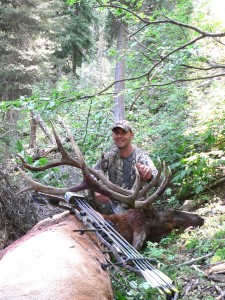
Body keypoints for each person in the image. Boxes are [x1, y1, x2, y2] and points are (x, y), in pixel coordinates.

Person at [93, 120, 158, 214]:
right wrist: (97, 189)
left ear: (131, 135)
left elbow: (157, 179)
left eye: (124, 133)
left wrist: (148, 175)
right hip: (113, 203)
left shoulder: (140, 156)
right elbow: (93, 174)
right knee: (88, 193)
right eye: (116, 133)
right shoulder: (110, 155)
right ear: (113, 136)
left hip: (134, 206)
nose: (119, 136)